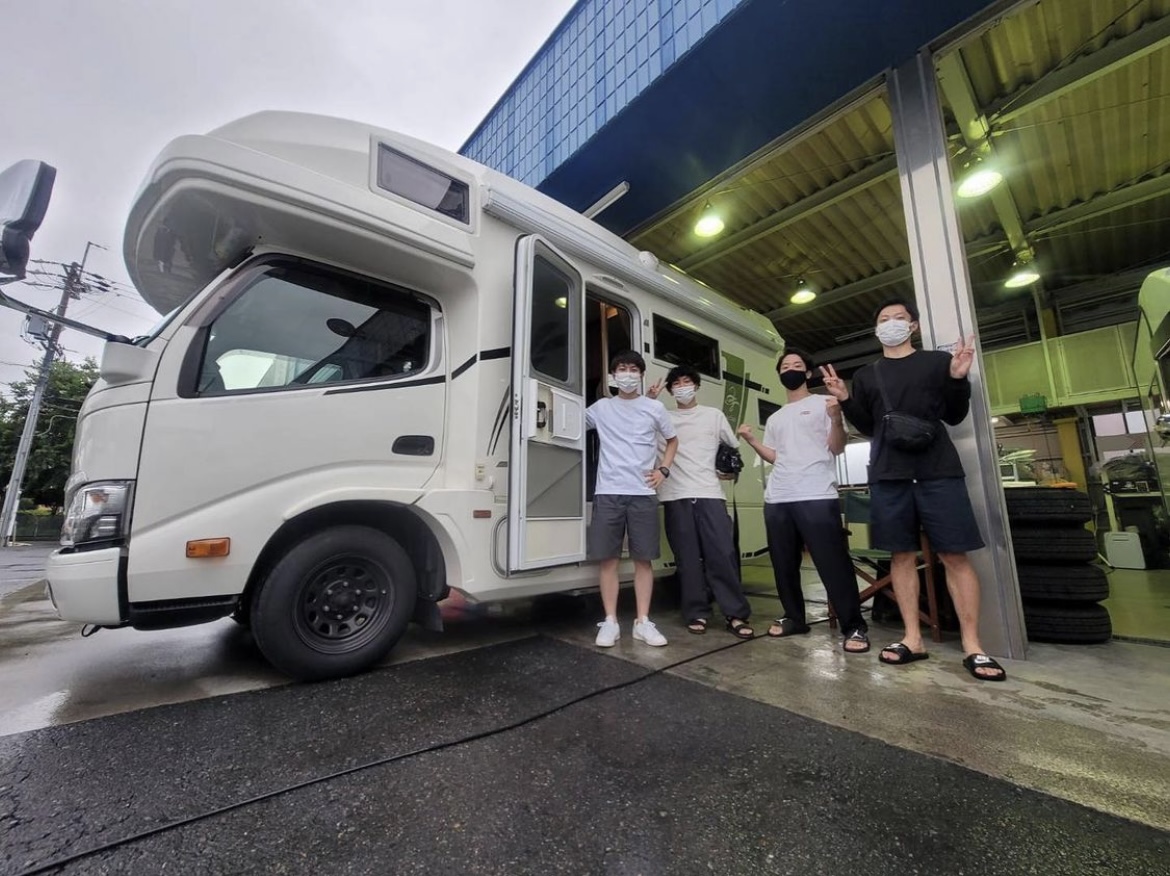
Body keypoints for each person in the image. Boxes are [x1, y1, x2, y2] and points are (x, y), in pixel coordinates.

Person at [820, 298, 1007, 681]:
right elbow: (872, 427)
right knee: (900, 556)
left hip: (939, 471)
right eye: (883, 319)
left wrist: (958, 378)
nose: (891, 323)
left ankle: (973, 646)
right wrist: (846, 399)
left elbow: (954, 415)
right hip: (889, 474)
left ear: (914, 326)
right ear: (876, 330)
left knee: (955, 555)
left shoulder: (937, 363)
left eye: (898, 318)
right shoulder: (868, 374)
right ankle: (912, 638)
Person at [738, 349, 870, 652]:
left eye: (797, 365)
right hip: (778, 496)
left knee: (832, 563)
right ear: (780, 374)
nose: (791, 369)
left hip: (816, 493)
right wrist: (752, 440)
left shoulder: (825, 404)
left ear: (808, 374)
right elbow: (775, 455)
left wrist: (837, 419)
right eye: (786, 366)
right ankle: (794, 617)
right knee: (783, 563)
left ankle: (854, 626)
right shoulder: (775, 417)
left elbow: (836, 448)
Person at [650, 365, 754, 638]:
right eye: (677, 384)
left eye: (687, 381)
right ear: (670, 390)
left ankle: (735, 614)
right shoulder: (662, 418)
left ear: (696, 386)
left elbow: (732, 448)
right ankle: (697, 612)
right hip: (675, 495)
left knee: (722, 555)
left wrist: (730, 467)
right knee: (687, 560)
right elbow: (637, 428)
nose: (682, 387)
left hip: (710, 493)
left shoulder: (713, 415)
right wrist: (650, 400)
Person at [586, 350, 679, 648]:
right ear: (613, 376)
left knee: (643, 560)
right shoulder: (600, 408)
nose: (627, 374)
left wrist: (663, 470)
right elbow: (562, 420)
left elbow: (673, 440)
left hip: (643, 493)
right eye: (622, 369)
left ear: (640, 375)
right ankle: (610, 621)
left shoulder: (654, 408)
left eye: (633, 369)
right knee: (608, 559)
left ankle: (642, 621)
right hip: (608, 492)